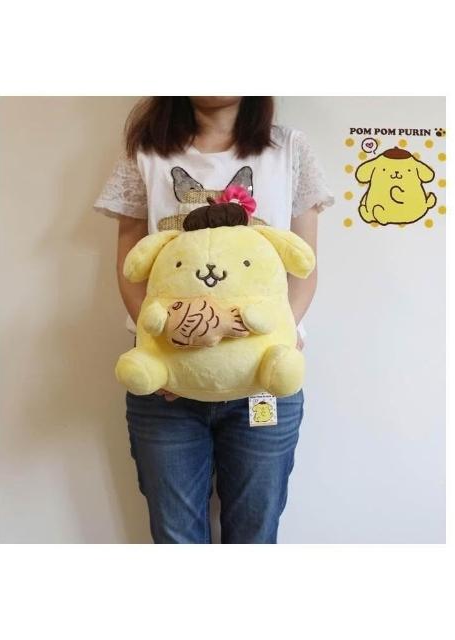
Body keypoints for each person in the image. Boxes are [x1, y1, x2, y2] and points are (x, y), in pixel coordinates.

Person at [94, 97, 333, 543]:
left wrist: (279, 336)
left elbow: (303, 266)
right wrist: (163, 351)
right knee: (175, 534)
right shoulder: (147, 152)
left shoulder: (288, 150)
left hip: (263, 379)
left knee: (255, 533)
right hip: (166, 388)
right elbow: (131, 267)